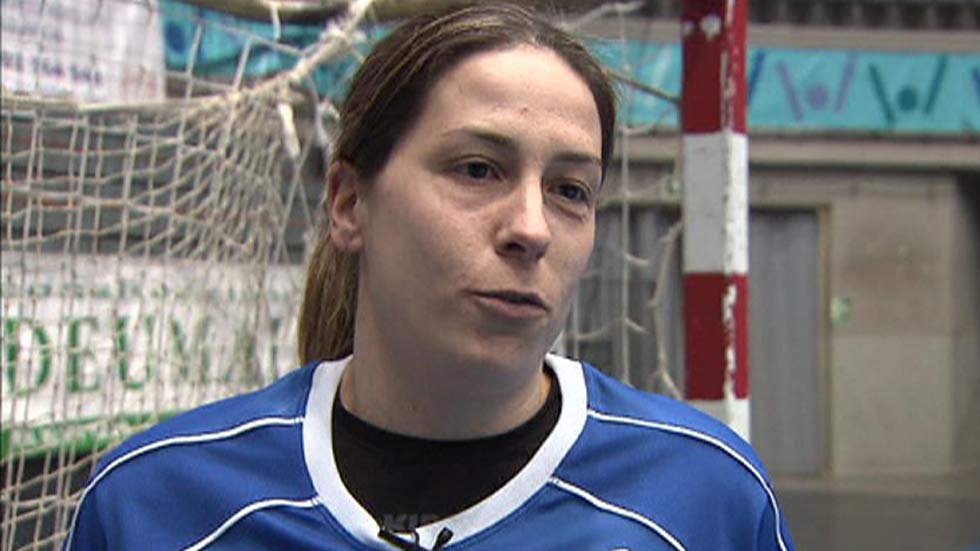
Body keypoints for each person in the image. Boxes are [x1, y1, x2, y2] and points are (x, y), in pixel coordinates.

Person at [65, 3, 795, 550]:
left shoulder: (705, 495)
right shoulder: (156, 500)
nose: (532, 228)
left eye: (571, 189)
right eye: (478, 169)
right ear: (349, 203)